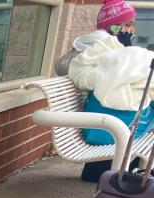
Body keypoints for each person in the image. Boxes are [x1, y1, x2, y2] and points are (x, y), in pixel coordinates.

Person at [55, 0, 145, 181]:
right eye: (126, 25)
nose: (131, 30)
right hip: (103, 117)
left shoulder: (107, 47)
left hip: (105, 114)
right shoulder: (100, 47)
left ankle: (135, 167)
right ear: (112, 27)